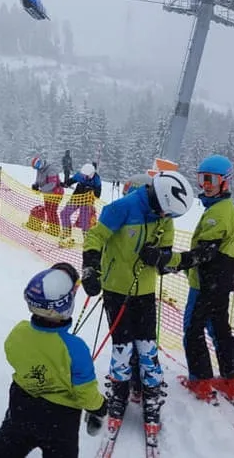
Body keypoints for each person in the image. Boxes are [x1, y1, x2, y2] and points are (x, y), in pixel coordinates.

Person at [81, 170, 193, 433]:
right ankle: (119, 392)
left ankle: (151, 394)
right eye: (166, 212)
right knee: (122, 346)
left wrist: (161, 257)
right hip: (115, 290)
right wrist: (90, 268)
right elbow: (95, 237)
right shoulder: (122, 208)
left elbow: (165, 252)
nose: (167, 218)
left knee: (147, 346)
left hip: (144, 291)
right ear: (157, 198)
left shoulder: (165, 216)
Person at [139, 155, 234, 405]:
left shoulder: (218, 212)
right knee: (218, 327)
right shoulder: (221, 208)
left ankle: (201, 381)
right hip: (217, 281)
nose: (205, 185)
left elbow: (204, 253)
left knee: (193, 330)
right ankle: (231, 379)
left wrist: (169, 260)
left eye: (211, 179)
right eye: (201, 179)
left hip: (208, 283)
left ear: (225, 182)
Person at [0, 263, 107, 458]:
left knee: (4, 450)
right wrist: (100, 407)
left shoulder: (19, 333)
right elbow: (86, 393)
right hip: (60, 421)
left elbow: (15, 359)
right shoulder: (76, 349)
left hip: (21, 407)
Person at [59, 163, 102, 247]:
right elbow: (71, 180)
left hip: (87, 201)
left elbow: (98, 195)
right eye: (83, 175)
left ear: (91, 174)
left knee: (84, 221)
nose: (83, 177)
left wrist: (91, 189)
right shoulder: (80, 175)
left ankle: (87, 239)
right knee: (64, 213)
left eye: (86, 176)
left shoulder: (97, 179)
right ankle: (66, 232)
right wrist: (65, 184)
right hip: (77, 197)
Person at [28, 155, 64, 236]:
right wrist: (35, 185)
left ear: (41, 161)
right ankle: (52, 227)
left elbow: (52, 184)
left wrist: (42, 189)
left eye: (38, 164)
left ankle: (55, 229)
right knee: (48, 210)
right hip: (47, 193)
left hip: (56, 193)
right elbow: (38, 180)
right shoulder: (39, 170)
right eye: (36, 166)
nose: (38, 166)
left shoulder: (51, 169)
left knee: (52, 211)